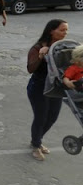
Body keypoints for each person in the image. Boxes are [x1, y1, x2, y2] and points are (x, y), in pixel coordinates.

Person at [27, 19, 69, 161]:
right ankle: (36, 145)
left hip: (56, 87)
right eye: (62, 30)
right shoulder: (38, 47)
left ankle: (37, 139)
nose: (65, 33)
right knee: (41, 117)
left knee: (52, 117)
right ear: (51, 31)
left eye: (66, 30)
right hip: (39, 87)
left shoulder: (62, 47)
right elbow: (30, 68)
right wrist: (40, 56)